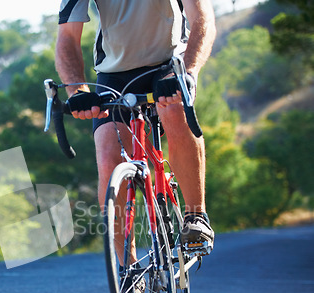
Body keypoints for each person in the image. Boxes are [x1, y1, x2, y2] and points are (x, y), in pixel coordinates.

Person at [55, 0, 216, 258]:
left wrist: (189, 71)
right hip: (114, 74)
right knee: (109, 162)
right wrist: (77, 91)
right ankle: (128, 271)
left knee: (173, 110)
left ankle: (196, 215)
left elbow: (202, 18)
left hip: (170, 63)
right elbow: (68, 38)